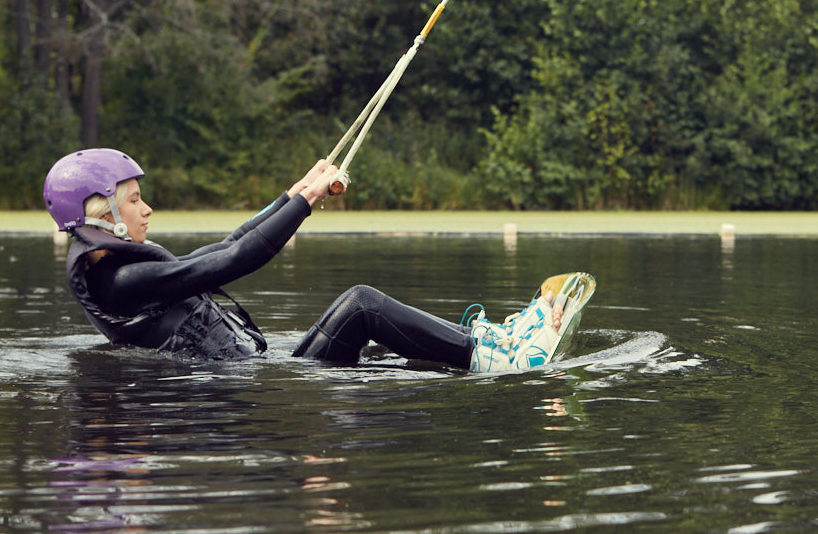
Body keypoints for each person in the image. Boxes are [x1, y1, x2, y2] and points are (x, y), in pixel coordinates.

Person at [44, 148, 566, 372]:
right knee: (361, 306)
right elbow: (231, 262)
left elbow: (222, 247)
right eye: (134, 201)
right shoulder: (118, 280)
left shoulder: (119, 272)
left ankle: (490, 342)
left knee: (386, 349)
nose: (146, 208)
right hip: (262, 378)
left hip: (265, 367)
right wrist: (306, 202)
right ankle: (500, 360)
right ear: (101, 213)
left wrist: (291, 195)